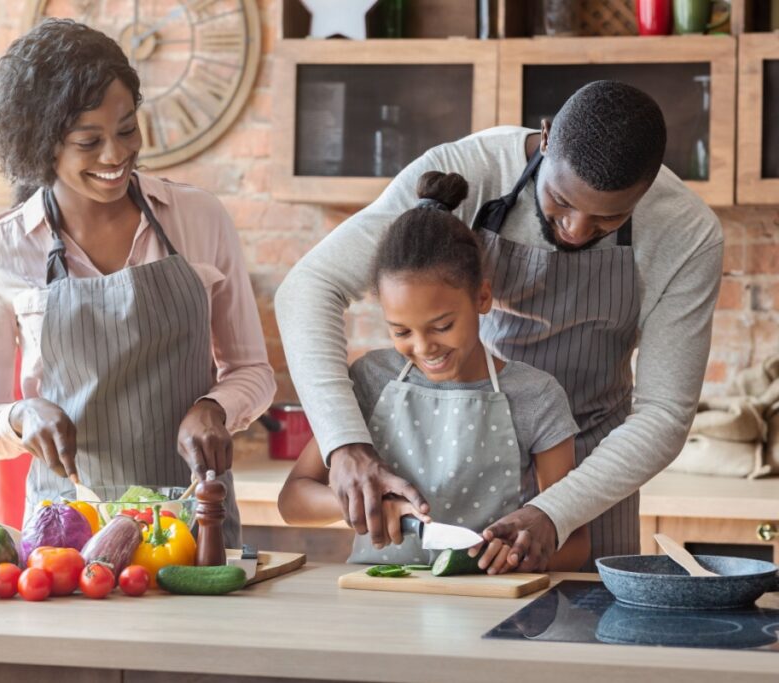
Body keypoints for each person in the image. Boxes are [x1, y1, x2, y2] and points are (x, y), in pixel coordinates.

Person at [276, 81, 723, 570]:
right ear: (547, 137)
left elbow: (664, 414)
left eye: (607, 219)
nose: (575, 229)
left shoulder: (687, 232)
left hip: (596, 466)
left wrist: (556, 511)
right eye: (560, 200)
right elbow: (308, 287)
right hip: (465, 448)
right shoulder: (468, 170)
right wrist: (346, 444)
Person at [0, 19, 275, 547]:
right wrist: (20, 415)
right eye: (89, 141)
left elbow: (252, 370)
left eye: (127, 129)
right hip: (67, 536)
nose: (115, 155)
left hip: (193, 526)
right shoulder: (1, 250)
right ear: (43, 147)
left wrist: (214, 407)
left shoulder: (198, 217)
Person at [277, 172, 589, 572]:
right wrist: (363, 503)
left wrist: (520, 556)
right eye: (401, 331)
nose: (424, 348)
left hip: (489, 609)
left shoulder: (536, 396)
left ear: (482, 297)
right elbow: (293, 500)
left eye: (442, 326)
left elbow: (577, 543)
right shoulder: (371, 379)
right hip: (376, 604)